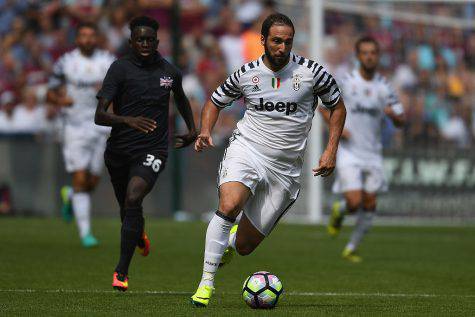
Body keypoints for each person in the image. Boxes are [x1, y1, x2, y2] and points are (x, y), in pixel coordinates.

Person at [190, 13, 346, 307]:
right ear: (262, 40)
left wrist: (331, 149)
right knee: (228, 205)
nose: (282, 47)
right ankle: (206, 284)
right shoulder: (246, 73)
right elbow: (215, 100)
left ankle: (231, 243)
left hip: (285, 169)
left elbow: (337, 106)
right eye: (276, 41)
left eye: (287, 42)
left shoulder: (312, 72)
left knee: (246, 246)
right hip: (247, 150)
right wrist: (206, 130)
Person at [94, 16, 196, 292]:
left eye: (150, 39)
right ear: (131, 42)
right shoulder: (119, 70)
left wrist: (192, 130)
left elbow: (182, 99)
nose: (145, 44)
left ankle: (121, 272)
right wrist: (128, 120)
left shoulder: (169, 72)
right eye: (140, 39)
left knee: (133, 197)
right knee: (127, 210)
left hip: (153, 149)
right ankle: (137, 233)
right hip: (118, 151)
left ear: (157, 41)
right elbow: (100, 116)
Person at [324, 36, 405, 263]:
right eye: (365, 53)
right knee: (354, 202)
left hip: (373, 153)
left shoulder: (384, 87)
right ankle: (340, 210)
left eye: (373, 53)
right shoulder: (347, 82)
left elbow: (401, 120)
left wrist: (394, 116)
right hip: (349, 151)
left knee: (370, 203)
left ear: (377, 57)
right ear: (358, 57)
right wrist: (338, 129)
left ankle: (351, 247)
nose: (369, 56)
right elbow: (323, 108)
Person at [47, 23, 116, 248]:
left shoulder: (107, 61)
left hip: (101, 125)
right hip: (75, 126)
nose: (87, 39)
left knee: (92, 181)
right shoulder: (66, 62)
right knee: (80, 178)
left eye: (91, 35)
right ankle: (86, 233)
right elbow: (50, 92)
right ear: (77, 39)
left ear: (96, 38)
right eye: (83, 35)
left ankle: (70, 196)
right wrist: (60, 100)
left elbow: (120, 88)